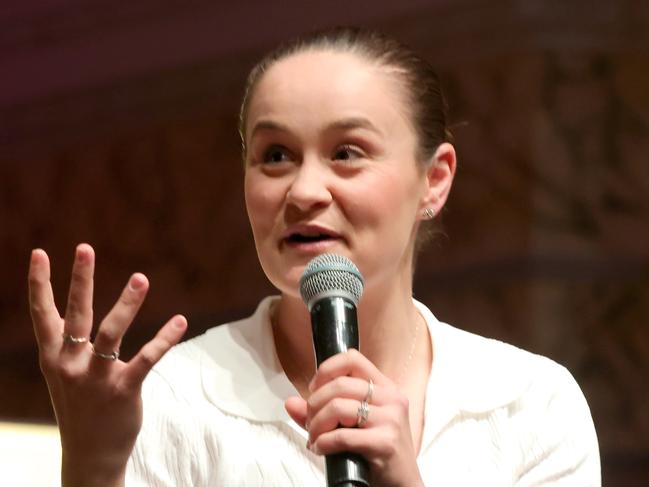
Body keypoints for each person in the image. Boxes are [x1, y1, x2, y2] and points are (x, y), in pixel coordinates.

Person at [28, 27, 600, 486]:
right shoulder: (174, 396)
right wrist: (94, 469)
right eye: (275, 155)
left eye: (347, 153)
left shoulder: (529, 405)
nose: (304, 191)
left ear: (434, 179)